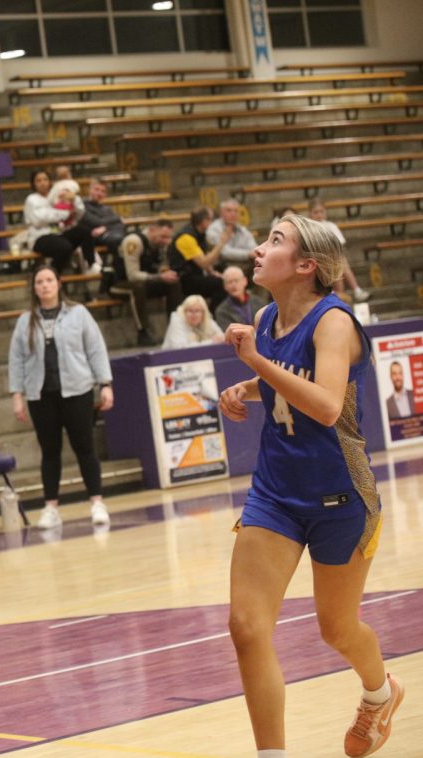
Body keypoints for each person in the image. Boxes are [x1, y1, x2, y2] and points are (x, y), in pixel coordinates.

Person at [219, 213, 403, 758]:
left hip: (341, 496)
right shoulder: (270, 314)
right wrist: (248, 386)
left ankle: (380, 692)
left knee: (338, 629)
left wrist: (253, 361)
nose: (258, 248)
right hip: (275, 495)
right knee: (247, 628)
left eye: (274, 241)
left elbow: (324, 405)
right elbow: (284, 374)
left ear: (305, 266)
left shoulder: (335, 323)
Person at [8, 265, 113, 530]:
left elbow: (96, 349)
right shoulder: (25, 320)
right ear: (34, 288)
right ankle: (51, 508)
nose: (44, 285)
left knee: (85, 448)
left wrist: (105, 384)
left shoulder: (78, 314)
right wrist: (17, 395)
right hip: (40, 395)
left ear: (59, 283)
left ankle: (97, 503)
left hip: (77, 391)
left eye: (49, 280)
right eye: (39, 281)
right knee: (50, 452)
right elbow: (16, 360)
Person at [113, 219, 183, 347]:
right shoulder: (134, 242)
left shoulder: (161, 245)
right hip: (119, 283)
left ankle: (175, 327)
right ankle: (142, 332)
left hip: (145, 280)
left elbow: (158, 266)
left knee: (173, 283)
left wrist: (165, 272)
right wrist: (159, 276)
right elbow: (132, 275)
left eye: (168, 237)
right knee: (137, 288)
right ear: (152, 230)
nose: (166, 241)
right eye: (162, 236)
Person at [12, 169, 92, 273]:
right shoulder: (31, 199)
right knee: (64, 246)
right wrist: (66, 214)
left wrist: (75, 199)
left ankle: (92, 265)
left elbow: (79, 214)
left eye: (45, 179)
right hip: (40, 237)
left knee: (84, 231)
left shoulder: (57, 196)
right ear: (33, 184)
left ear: (50, 182)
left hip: (59, 233)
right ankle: (53, 273)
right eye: (38, 180)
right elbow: (40, 219)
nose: (42, 183)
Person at [309, 199, 371, 303]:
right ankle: (356, 290)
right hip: (317, 261)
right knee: (339, 263)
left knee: (339, 263)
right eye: (316, 212)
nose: (319, 215)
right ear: (310, 213)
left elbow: (340, 245)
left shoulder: (331, 226)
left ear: (325, 212)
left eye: (321, 211)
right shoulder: (309, 228)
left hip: (332, 260)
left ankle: (340, 300)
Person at [171, 206, 228, 309]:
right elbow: (204, 262)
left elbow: (204, 258)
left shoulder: (200, 234)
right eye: (210, 219)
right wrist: (221, 243)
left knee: (224, 272)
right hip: (184, 279)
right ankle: (214, 317)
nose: (212, 222)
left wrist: (214, 273)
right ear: (203, 221)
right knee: (221, 285)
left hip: (196, 274)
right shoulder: (186, 237)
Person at [78, 177, 128, 267]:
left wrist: (105, 227)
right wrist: (117, 218)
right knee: (118, 240)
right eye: (96, 189)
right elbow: (96, 222)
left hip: (109, 236)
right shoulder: (81, 205)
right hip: (91, 239)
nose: (99, 193)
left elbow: (120, 225)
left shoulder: (106, 208)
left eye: (103, 191)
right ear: (89, 189)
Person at [215, 265, 269, 331]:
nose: (233, 285)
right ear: (225, 287)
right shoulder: (222, 311)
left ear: (245, 281)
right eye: (229, 282)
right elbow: (231, 335)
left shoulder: (259, 302)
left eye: (236, 280)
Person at [207, 199, 258, 265]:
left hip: (243, 265)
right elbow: (224, 253)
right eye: (229, 210)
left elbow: (253, 248)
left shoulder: (243, 230)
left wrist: (254, 253)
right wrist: (248, 254)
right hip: (221, 267)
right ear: (221, 213)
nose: (233, 213)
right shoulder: (213, 229)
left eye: (236, 211)